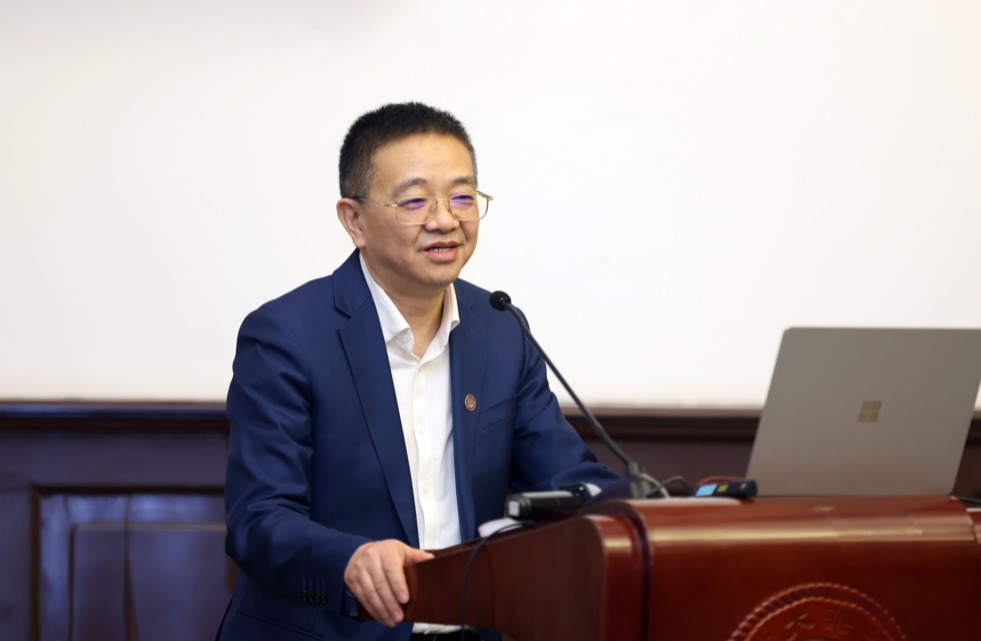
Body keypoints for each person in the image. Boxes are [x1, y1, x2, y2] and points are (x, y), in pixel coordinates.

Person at [217, 102, 619, 641]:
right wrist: (350, 559)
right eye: (414, 201)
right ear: (354, 220)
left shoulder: (500, 328)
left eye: (461, 197)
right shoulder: (287, 336)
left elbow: (567, 481)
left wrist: (672, 508)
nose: (445, 220)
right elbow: (259, 519)